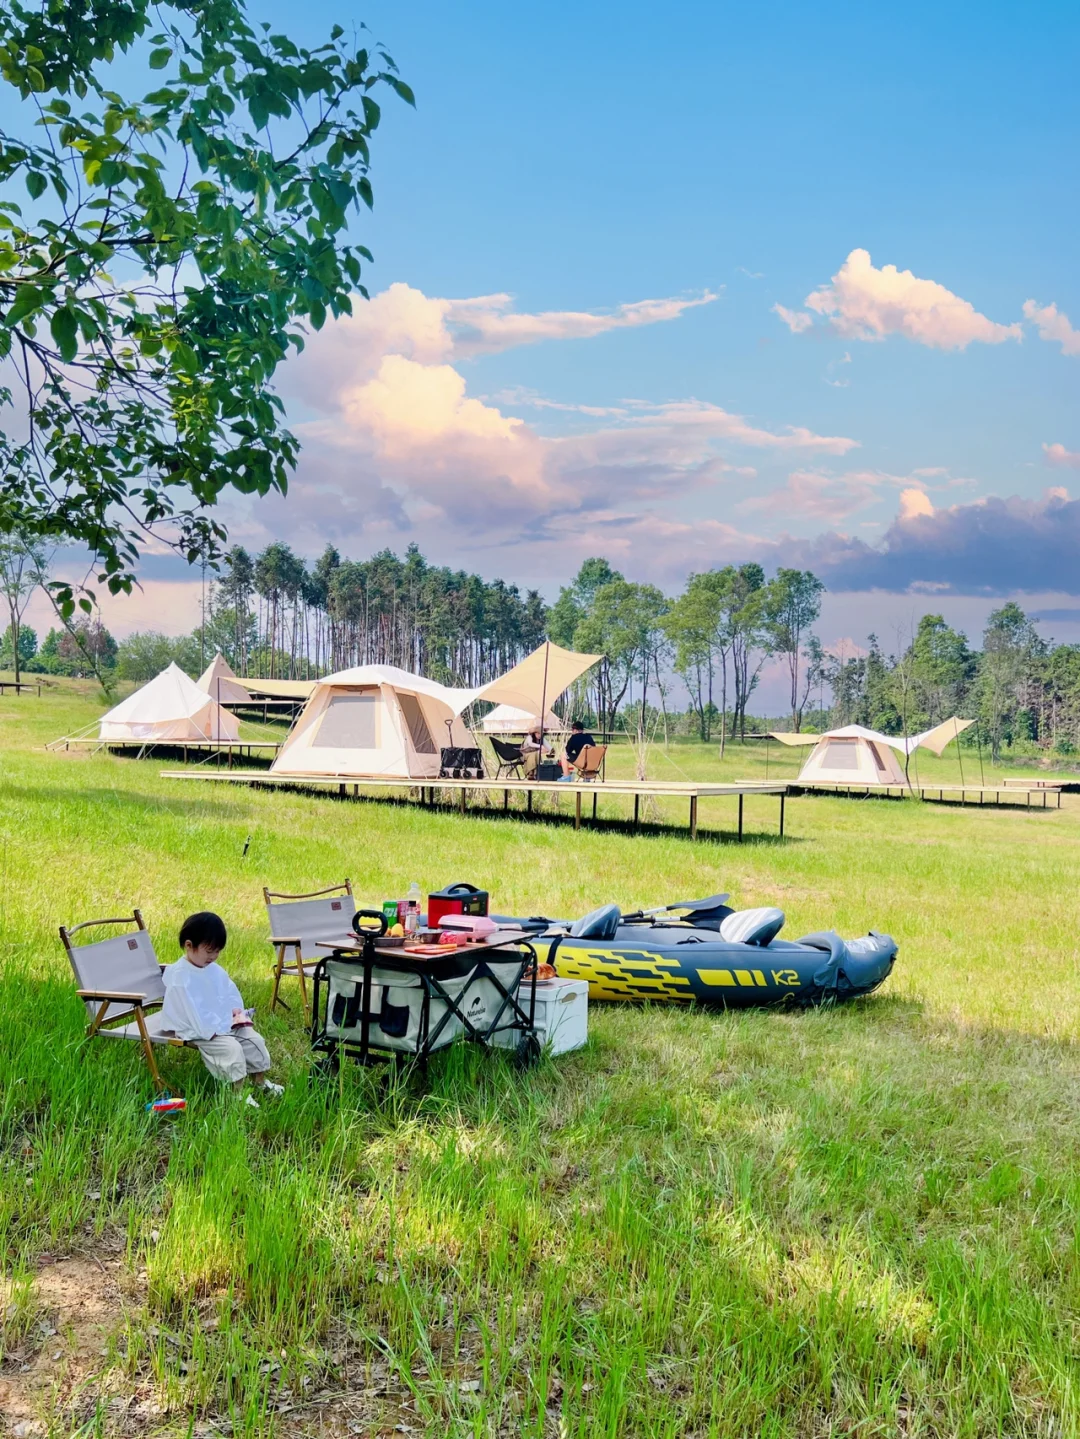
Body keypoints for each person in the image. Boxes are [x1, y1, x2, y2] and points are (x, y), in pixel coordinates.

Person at [161, 912, 282, 1107]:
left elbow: (228, 991)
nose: (214, 957)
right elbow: (193, 1013)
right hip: (199, 1029)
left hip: (222, 1023)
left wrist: (236, 1011)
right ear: (189, 946)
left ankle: (259, 1082)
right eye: (209, 951)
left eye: (217, 951)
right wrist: (220, 1027)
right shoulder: (180, 977)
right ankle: (237, 1093)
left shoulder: (213, 969)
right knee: (231, 1048)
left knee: (254, 1040)